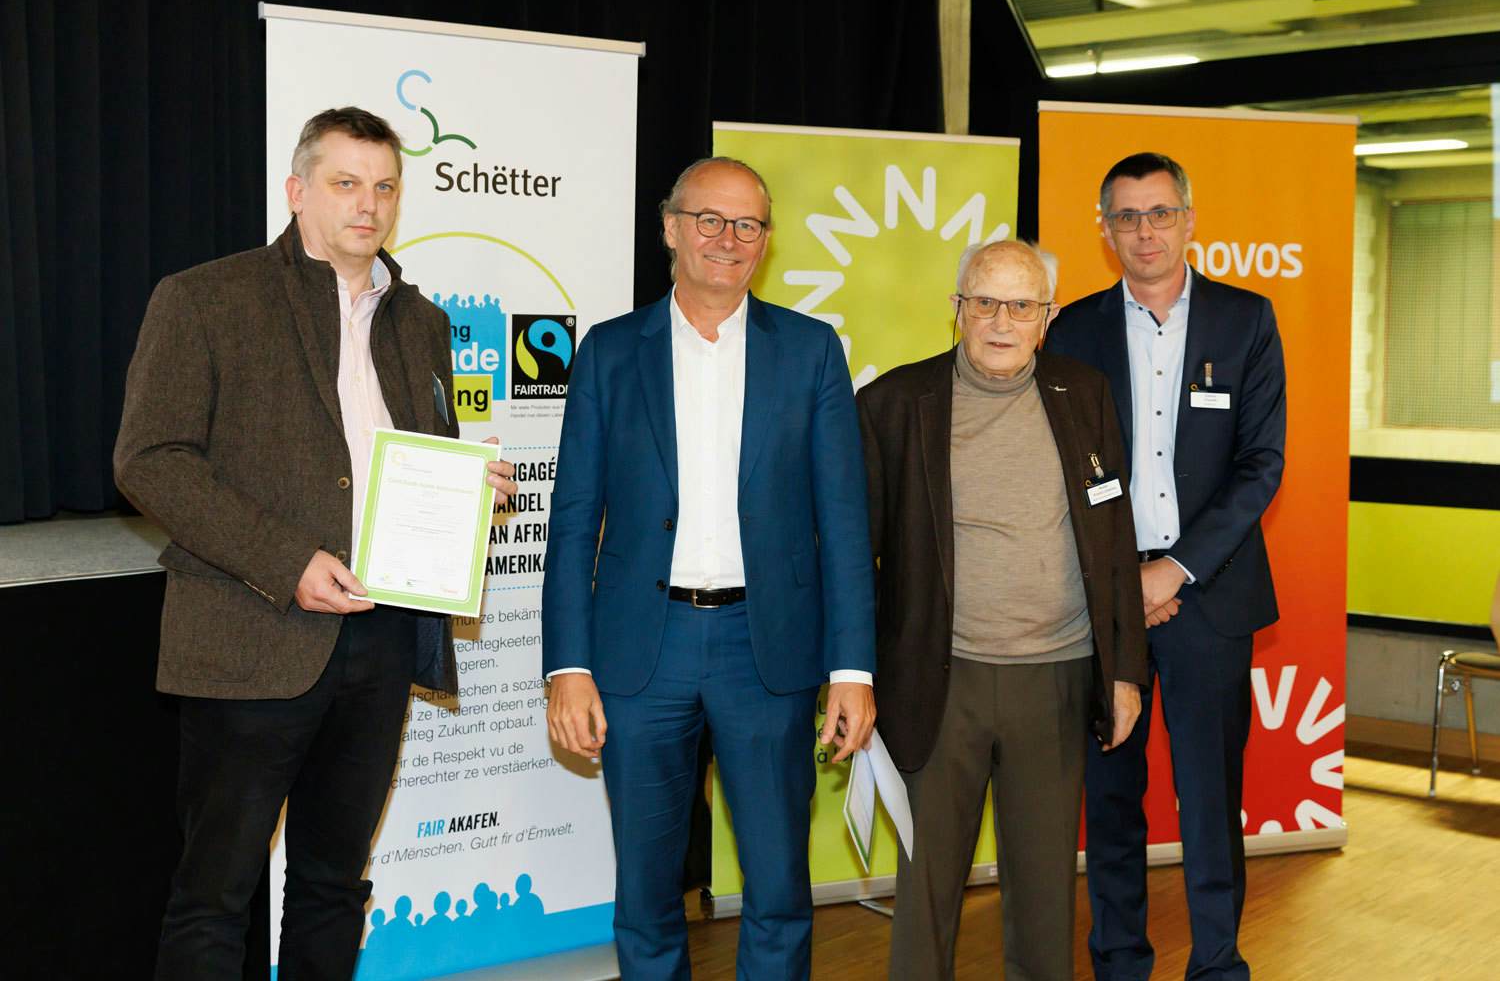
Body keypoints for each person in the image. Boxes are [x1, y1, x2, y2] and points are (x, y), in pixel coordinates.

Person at [114, 107, 518, 980]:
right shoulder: (206, 298)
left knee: (335, 884)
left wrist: (466, 488)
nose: (367, 205)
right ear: (298, 191)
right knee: (214, 896)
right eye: (345, 183)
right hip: (250, 635)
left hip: (383, 633)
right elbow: (150, 460)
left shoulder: (423, 321)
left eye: (384, 187)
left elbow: (417, 457)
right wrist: (285, 561)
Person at [540, 156, 877, 979]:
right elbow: (574, 520)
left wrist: (852, 669)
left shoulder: (810, 351)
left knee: (778, 887)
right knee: (646, 892)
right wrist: (567, 667)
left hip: (768, 653)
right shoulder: (610, 352)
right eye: (709, 220)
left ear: (766, 238)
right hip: (640, 653)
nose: (729, 239)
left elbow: (843, 522)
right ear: (670, 228)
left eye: (748, 224)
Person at [857, 239, 1148, 980]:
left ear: (1047, 317)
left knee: (1046, 897)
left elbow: (1115, 538)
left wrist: (1124, 671)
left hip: (1057, 677)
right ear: (957, 309)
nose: (1001, 322)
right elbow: (856, 557)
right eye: (984, 302)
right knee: (925, 896)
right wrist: (853, 677)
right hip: (938, 680)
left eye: (1021, 306)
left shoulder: (1084, 394)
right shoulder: (893, 404)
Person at [1046, 152, 1287, 981]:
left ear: (1188, 219)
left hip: (1207, 599)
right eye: (1127, 216)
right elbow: (1065, 471)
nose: (1144, 231)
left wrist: (1175, 569)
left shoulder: (1245, 320)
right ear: (1105, 229)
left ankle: (1217, 964)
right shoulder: (1071, 330)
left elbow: (1261, 464)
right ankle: (1120, 962)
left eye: (1159, 213)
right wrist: (1124, 579)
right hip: (1103, 603)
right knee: (1111, 798)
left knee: (1210, 799)